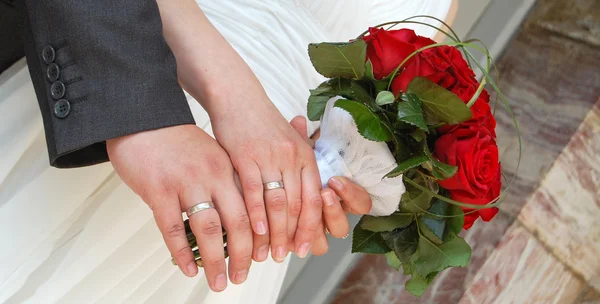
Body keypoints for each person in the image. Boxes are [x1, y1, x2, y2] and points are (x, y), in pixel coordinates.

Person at [0, 0, 452, 302]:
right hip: (132, 77)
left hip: (269, 191)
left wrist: (335, 170)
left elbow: (394, 104)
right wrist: (233, 97)